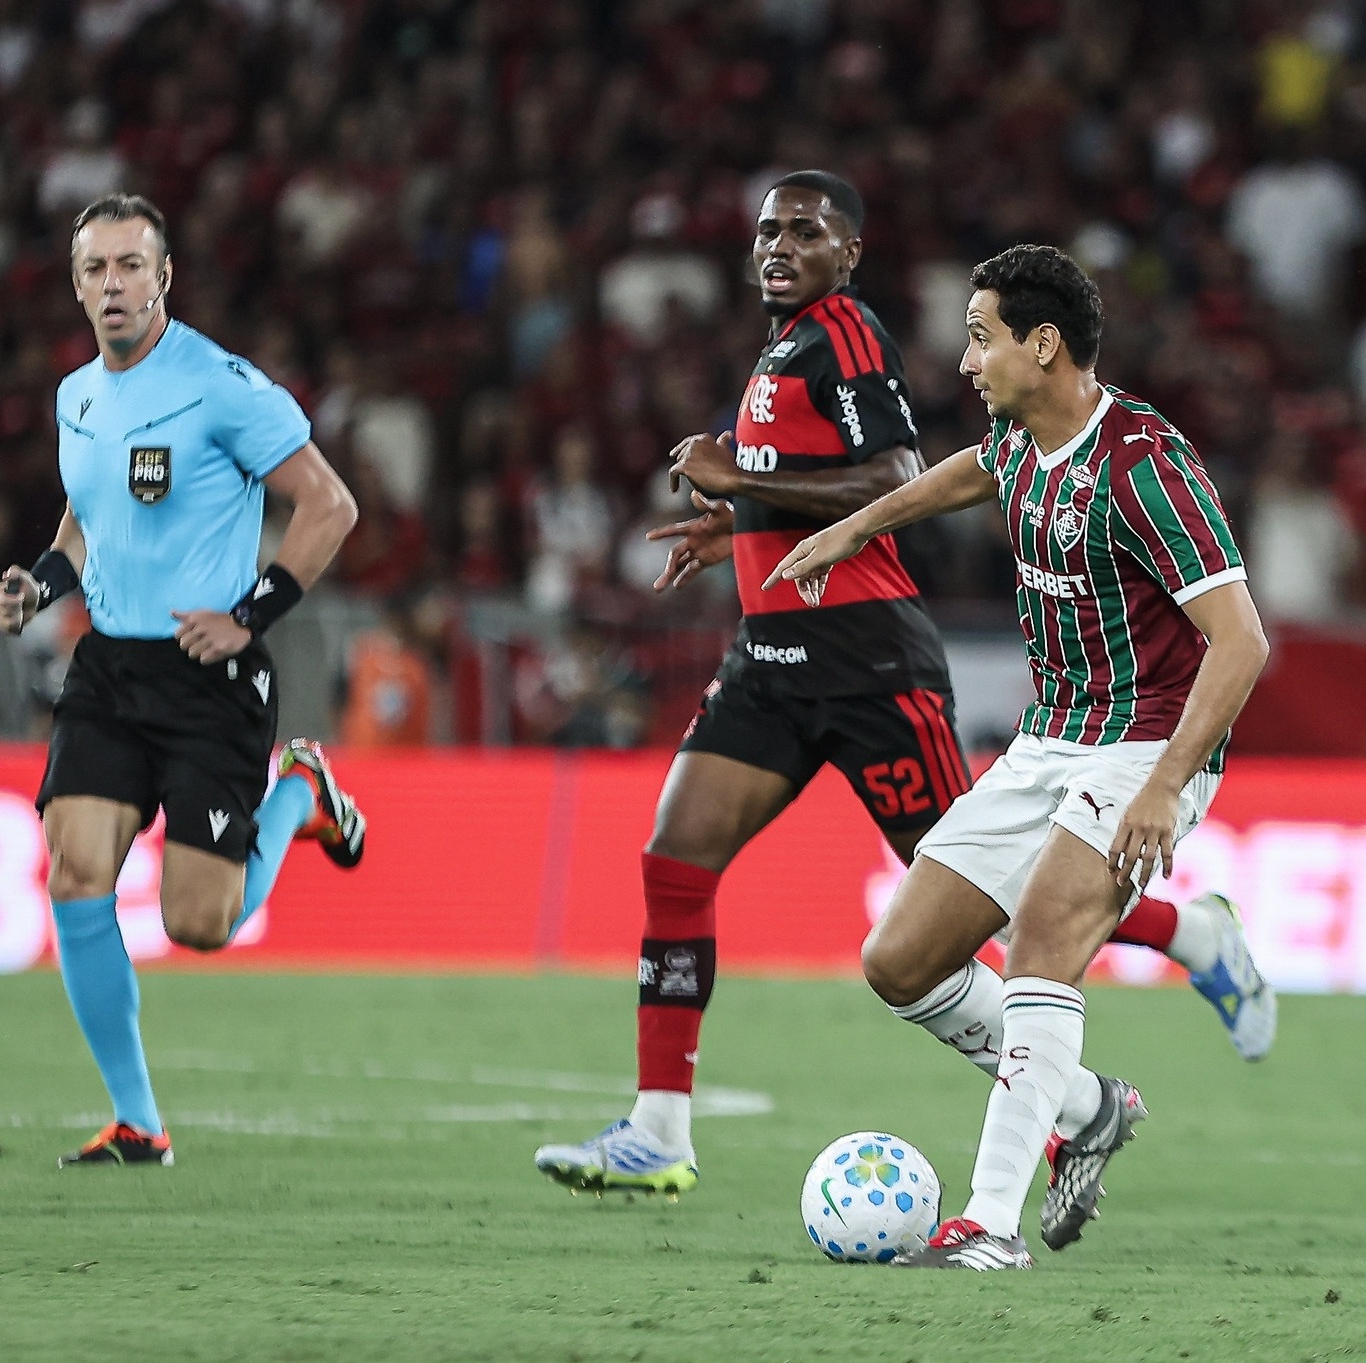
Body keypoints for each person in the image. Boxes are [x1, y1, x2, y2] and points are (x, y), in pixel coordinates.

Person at [534, 177, 1274, 1202]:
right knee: (692, 864)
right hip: (780, 656)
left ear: (849, 251)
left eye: (803, 230)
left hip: (873, 666)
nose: (775, 246)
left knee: (1015, 915)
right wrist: (768, 526)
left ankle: (1077, 1096)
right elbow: (964, 467)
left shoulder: (851, 339)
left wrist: (760, 493)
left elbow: (889, 469)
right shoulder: (810, 355)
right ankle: (660, 1127)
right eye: (765, 229)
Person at [766, 245, 1271, 1269]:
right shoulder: (1021, 434)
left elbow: (1241, 642)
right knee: (899, 960)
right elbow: (976, 468)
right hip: (1049, 737)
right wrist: (854, 528)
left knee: (1041, 940)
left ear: (1043, 345)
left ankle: (988, 1224)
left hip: (1145, 740)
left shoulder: (1144, 467)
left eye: (979, 337)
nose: (964, 361)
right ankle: (1085, 1107)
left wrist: (1163, 787)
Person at [0, 194, 365, 1169]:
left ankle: (301, 792)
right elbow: (85, 524)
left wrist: (250, 614)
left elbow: (329, 505)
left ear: (163, 278)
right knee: (75, 873)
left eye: (129, 266)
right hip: (111, 666)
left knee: (201, 922)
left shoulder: (221, 387)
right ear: (76, 287)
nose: (112, 284)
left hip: (208, 673)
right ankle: (137, 1120)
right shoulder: (76, 398)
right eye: (95, 269)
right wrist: (38, 587)